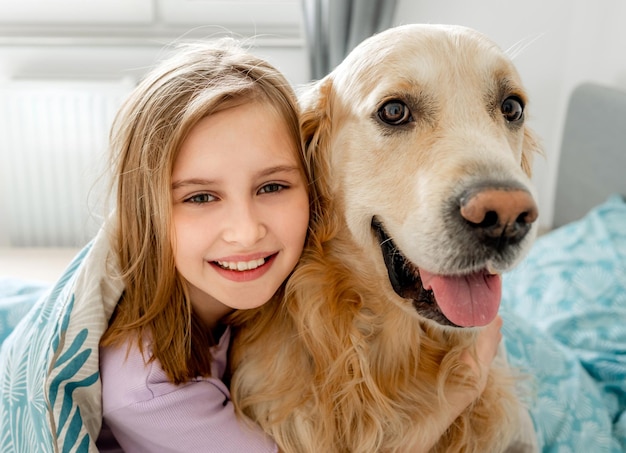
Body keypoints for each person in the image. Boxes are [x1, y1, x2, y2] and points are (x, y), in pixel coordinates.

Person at [0, 39, 503, 453]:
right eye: (200, 197)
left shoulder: (255, 285)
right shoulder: (144, 389)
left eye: (272, 187)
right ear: (147, 212)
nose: (246, 231)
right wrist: (462, 388)